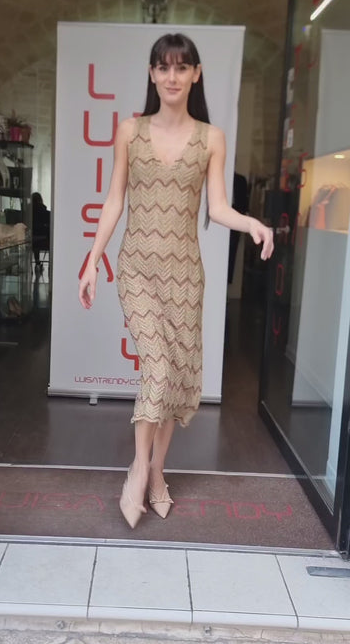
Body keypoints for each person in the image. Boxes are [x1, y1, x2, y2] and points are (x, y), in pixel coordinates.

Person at [78, 33, 274, 529]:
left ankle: (158, 470)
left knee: (178, 380)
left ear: (195, 74)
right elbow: (114, 201)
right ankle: (138, 469)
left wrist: (251, 222)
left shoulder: (211, 138)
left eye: (181, 67)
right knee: (160, 368)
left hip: (186, 277)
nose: (172, 76)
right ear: (152, 74)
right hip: (137, 270)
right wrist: (92, 261)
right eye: (163, 67)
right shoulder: (130, 132)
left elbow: (218, 207)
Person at [31, 192, 50, 271]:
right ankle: (49, 266)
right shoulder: (47, 214)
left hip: (32, 239)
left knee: (35, 244)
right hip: (44, 240)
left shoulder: (28, 214)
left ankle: (37, 262)